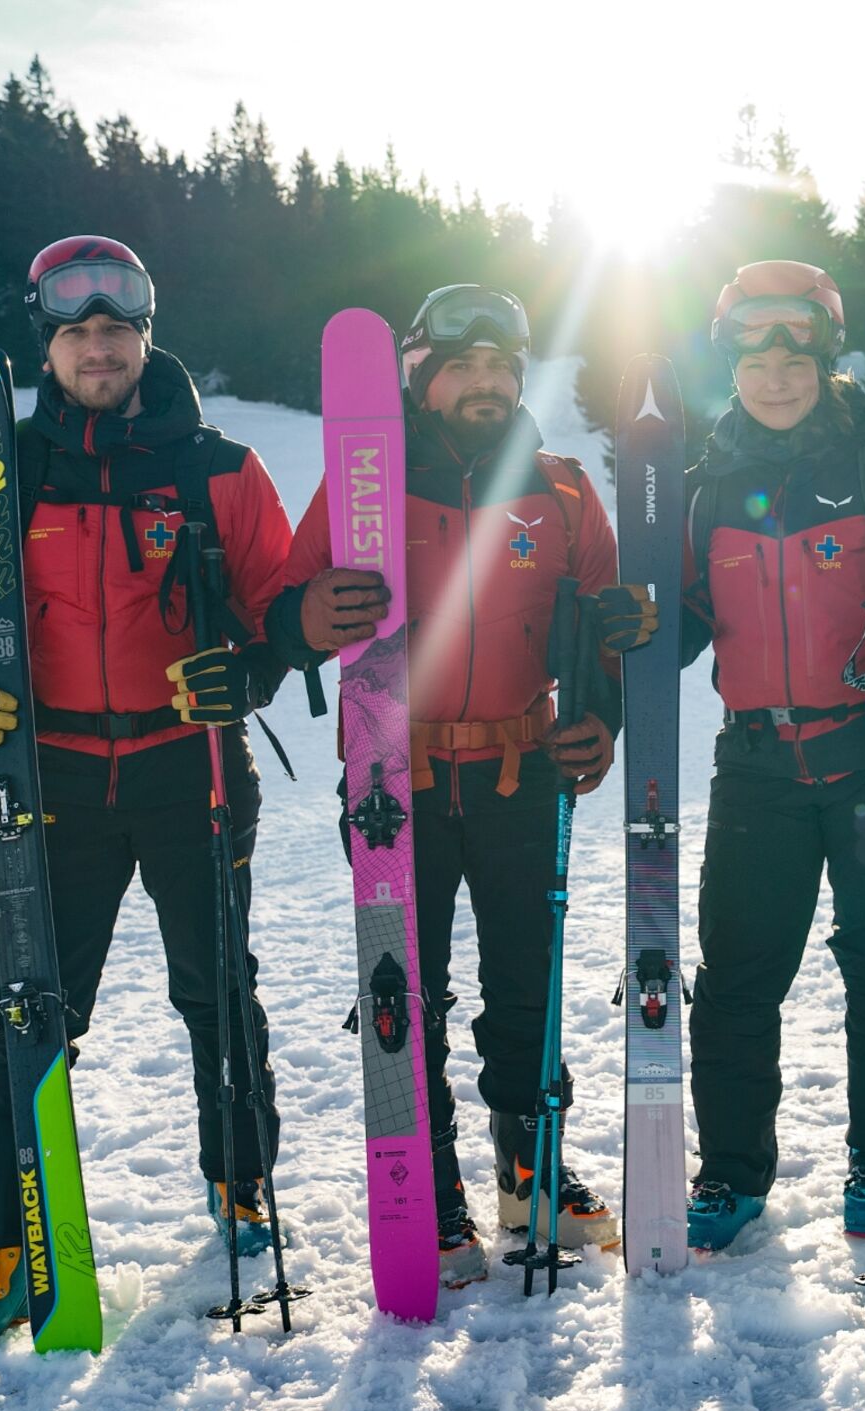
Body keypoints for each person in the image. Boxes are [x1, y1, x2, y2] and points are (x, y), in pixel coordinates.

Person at [0, 236, 296, 1356]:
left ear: (146, 335)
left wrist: (249, 673)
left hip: (190, 767)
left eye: (117, 328)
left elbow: (279, 603)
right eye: (75, 331)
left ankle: (241, 1182)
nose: (99, 346)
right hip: (51, 778)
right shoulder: (2, 468)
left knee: (217, 990)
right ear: (49, 345)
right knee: (35, 1006)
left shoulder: (217, 469)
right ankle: (3, 1246)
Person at [268, 284, 630, 1281]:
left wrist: (602, 720)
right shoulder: (360, 486)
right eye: (461, 366)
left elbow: (603, 626)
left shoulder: (558, 489)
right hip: (398, 777)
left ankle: (531, 1167)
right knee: (403, 993)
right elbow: (279, 613)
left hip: (520, 768)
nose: (483, 383)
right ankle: (427, 1189)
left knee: (528, 984)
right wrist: (306, 617)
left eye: (500, 368)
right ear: (420, 376)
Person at [673, 261, 865, 1252]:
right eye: (755, 348)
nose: (776, 370)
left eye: (797, 348)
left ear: (828, 356)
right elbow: (682, 629)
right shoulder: (706, 491)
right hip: (755, 765)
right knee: (739, 979)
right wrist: (632, 623)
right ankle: (732, 1174)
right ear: (731, 356)